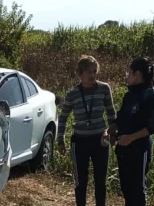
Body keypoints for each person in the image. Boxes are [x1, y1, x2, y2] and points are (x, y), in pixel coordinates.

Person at [57, 55, 116, 206]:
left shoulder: (104, 89)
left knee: (100, 180)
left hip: (100, 140)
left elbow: (111, 113)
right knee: (80, 181)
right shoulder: (72, 94)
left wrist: (112, 134)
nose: (92, 75)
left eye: (94, 71)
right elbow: (63, 117)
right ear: (80, 73)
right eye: (88, 72)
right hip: (80, 141)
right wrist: (60, 140)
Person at [108, 57, 154, 206]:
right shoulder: (130, 94)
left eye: (129, 72)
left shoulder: (150, 95)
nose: (126, 75)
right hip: (123, 150)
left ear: (138, 74)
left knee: (137, 191)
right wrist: (112, 131)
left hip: (139, 150)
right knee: (126, 189)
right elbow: (121, 118)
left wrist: (131, 138)